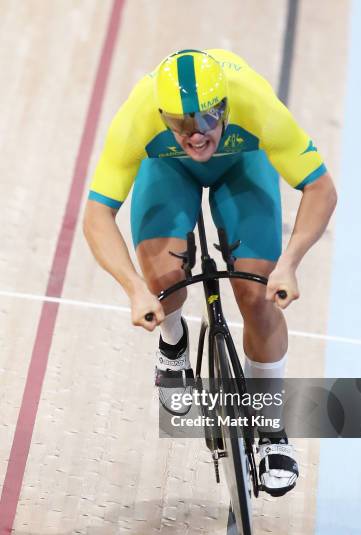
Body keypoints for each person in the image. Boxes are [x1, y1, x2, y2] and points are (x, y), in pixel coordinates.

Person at [83, 49, 337, 497]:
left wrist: (290, 263)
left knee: (258, 296)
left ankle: (270, 427)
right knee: (164, 282)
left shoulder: (257, 104)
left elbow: (320, 188)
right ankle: (173, 339)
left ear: (224, 108)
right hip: (166, 170)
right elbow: (97, 215)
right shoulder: (137, 119)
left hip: (241, 163)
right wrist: (135, 290)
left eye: (206, 121)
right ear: (163, 116)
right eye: (180, 125)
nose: (196, 135)